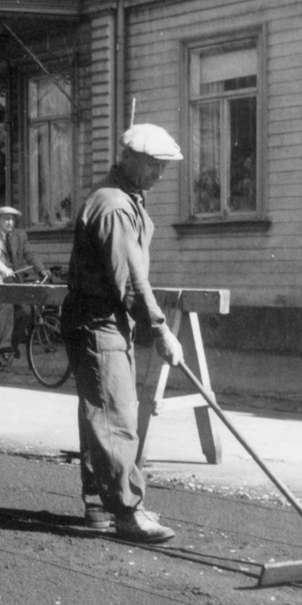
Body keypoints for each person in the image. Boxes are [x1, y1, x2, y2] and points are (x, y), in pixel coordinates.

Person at [61, 123, 185, 544]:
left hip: (102, 320)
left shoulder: (126, 197)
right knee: (115, 417)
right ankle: (129, 513)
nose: (159, 175)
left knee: (101, 413)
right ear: (129, 159)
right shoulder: (113, 206)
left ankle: (99, 504)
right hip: (98, 322)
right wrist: (161, 330)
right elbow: (130, 282)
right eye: (153, 165)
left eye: (163, 167)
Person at [0, 206, 49, 354]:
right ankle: (3, 345)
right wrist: (3, 269)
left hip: (13, 280)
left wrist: (41, 269)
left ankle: (13, 344)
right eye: (6, 219)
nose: (9, 223)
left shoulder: (20, 236)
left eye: (12, 219)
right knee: (7, 303)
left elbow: (30, 254)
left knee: (26, 311)